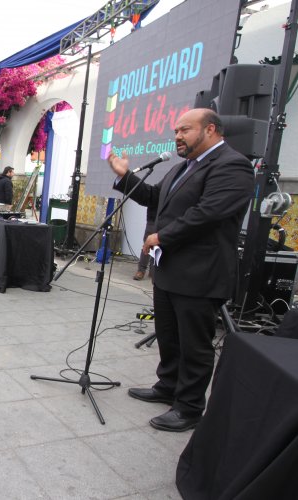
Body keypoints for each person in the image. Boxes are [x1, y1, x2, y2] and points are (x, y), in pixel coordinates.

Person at [107, 108, 254, 432]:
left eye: (185, 130)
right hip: (171, 270)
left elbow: (210, 213)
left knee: (195, 346)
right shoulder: (181, 168)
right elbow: (153, 197)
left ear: (211, 129)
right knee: (170, 338)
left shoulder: (233, 165)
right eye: (176, 130)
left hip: (201, 273)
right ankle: (167, 386)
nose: (177, 136)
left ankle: (188, 408)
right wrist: (125, 176)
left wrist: (162, 236)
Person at [134, 206, 156, 281]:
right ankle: (141, 270)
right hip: (153, 217)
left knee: (159, 245)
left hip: (165, 218)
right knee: (147, 243)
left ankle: (153, 270)